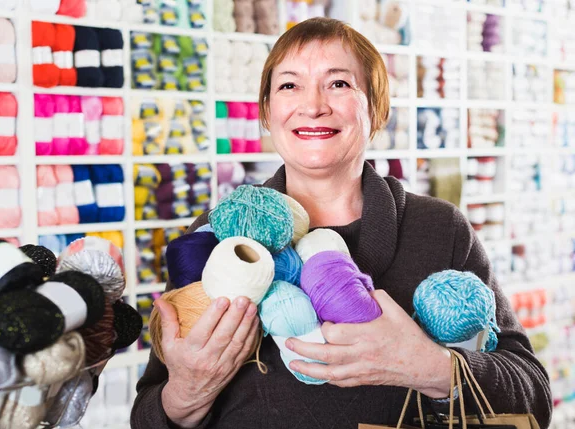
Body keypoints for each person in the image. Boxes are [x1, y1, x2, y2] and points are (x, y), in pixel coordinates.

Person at [131, 17, 552, 429]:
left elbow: (533, 398)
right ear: (267, 111)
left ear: (376, 108)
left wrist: (432, 368)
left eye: (338, 83)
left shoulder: (439, 229)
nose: (313, 106)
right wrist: (187, 394)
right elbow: (147, 414)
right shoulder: (215, 238)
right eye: (289, 85)